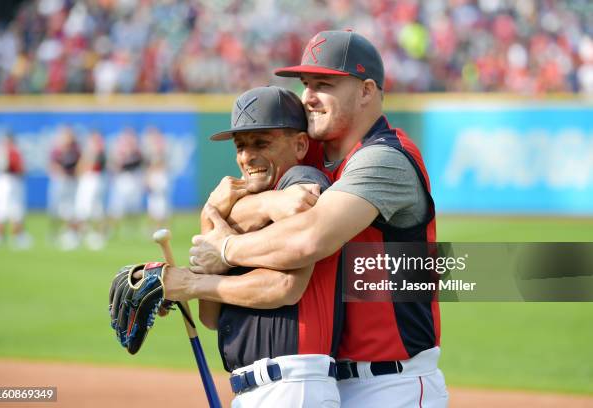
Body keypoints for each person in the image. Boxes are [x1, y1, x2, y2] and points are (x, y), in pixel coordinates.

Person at [189, 30, 447, 407]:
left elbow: (309, 238)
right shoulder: (308, 156)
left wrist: (225, 249)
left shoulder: (385, 158)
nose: (308, 96)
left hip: (392, 384)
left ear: (366, 90)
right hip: (327, 377)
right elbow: (229, 200)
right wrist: (267, 206)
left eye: (324, 84)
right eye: (306, 84)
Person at [162, 86, 341, 407]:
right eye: (240, 146)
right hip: (258, 387)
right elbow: (211, 317)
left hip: (292, 383)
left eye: (261, 143)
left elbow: (283, 286)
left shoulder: (301, 180)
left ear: (300, 144)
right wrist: (210, 215)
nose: (247, 156)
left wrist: (193, 283)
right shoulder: (240, 201)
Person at [0, 133, 32, 249]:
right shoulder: (6, 151)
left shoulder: (5, 150)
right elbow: (15, 168)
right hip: (8, 180)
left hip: (8, 181)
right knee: (5, 209)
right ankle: (5, 236)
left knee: (11, 209)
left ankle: (7, 236)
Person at [48, 126, 81, 250]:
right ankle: (55, 233)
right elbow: (52, 165)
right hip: (60, 181)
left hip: (71, 181)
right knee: (56, 209)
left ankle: (71, 233)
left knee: (71, 209)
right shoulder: (57, 150)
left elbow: (79, 164)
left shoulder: (75, 150)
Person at [107, 127, 144, 237]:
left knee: (133, 208)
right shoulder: (119, 152)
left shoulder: (137, 153)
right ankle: (110, 230)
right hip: (122, 180)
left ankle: (131, 229)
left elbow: (140, 165)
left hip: (134, 180)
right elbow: (113, 167)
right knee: (116, 208)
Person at [74, 129, 107, 250]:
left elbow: (91, 165)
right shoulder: (89, 150)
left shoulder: (98, 150)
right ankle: (83, 235)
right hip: (86, 179)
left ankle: (96, 235)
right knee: (83, 208)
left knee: (92, 209)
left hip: (93, 179)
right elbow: (80, 167)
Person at [142, 127, 171, 230]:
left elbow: (162, 164)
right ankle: (154, 228)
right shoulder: (148, 149)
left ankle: (164, 227)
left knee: (162, 205)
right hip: (153, 176)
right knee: (152, 205)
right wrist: (147, 179)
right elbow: (148, 166)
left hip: (161, 176)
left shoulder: (163, 146)